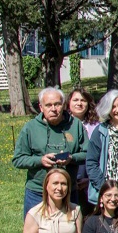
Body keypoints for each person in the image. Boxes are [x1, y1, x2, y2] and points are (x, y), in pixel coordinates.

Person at [13, 87, 88, 215]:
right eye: (48, 105)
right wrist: (40, 160)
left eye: (57, 104)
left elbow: (88, 154)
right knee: (35, 227)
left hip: (67, 191)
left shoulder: (75, 125)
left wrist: (72, 158)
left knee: (69, 226)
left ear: (63, 105)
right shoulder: (30, 128)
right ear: (41, 107)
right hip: (38, 192)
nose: (53, 109)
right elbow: (18, 159)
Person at [64, 87, 99, 210]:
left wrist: (90, 180)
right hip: (67, 176)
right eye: (75, 100)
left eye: (83, 100)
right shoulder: (62, 125)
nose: (79, 103)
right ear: (69, 103)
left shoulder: (97, 126)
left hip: (90, 177)